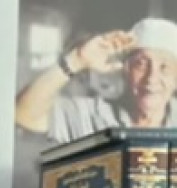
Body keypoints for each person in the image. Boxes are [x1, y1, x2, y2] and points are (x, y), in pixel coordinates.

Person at [15, 17, 177, 143]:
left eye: (165, 67)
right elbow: (24, 114)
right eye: (141, 64)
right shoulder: (92, 115)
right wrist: (77, 60)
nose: (152, 77)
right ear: (126, 70)